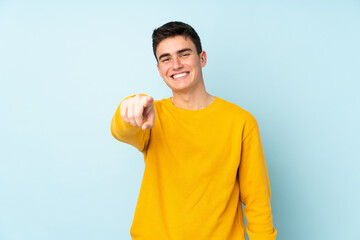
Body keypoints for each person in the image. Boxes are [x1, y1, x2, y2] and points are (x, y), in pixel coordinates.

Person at [110, 21, 277, 240]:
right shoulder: (151, 115)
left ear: (202, 58)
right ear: (159, 69)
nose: (176, 64)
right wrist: (128, 106)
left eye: (184, 54)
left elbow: (258, 201)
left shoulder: (241, 122)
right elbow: (122, 131)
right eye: (166, 58)